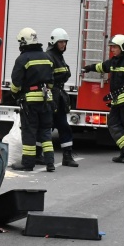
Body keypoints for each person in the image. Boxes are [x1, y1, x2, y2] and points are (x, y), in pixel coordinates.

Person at [82, 34, 124, 163]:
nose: (112, 49)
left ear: (123, 47)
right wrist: (88, 68)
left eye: (115, 47)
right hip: (119, 100)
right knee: (114, 124)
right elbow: (102, 66)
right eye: (112, 47)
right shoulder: (114, 61)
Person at [9, 27, 55, 172]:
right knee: (46, 131)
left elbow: (16, 82)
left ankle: (28, 164)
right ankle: (50, 163)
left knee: (29, 131)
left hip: (30, 101)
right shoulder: (47, 57)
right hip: (47, 99)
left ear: (24, 42)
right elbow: (52, 82)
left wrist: (15, 94)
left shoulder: (23, 59)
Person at [44, 28, 79, 167]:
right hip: (52, 96)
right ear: (54, 42)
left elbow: (66, 72)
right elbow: (53, 75)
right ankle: (39, 154)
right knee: (48, 126)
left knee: (63, 126)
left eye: (65, 42)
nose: (63, 45)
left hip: (58, 96)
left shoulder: (58, 55)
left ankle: (67, 155)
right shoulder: (49, 56)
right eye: (61, 42)